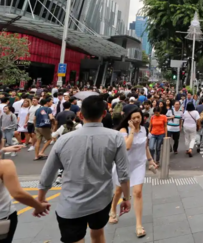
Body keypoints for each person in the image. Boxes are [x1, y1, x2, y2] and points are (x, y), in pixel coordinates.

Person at [38, 95, 131, 243]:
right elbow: (123, 173)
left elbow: (47, 175)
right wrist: (126, 198)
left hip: (71, 204)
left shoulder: (63, 140)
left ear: (80, 115)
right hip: (101, 201)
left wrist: (41, 199)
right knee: (98, 233)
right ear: (104, 114)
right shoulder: (116, 137)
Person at [108, 108, 156, 237]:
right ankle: (112, 210)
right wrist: (133, 132)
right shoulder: (123, 131)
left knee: (138, 192)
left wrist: (150, 160)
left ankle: (139, 225)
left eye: (138, 117)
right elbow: (127, 146)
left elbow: (144, 147)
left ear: (142, 118)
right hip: (124, 165)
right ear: (129, 118)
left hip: (139, 165)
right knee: (118, 191)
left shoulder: (144, 129)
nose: (136, 120)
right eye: (133, 117)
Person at [0, 153, 51, 241]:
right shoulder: (4, 165)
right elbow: (17, 194)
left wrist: (5, 149)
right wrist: (38, 206)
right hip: (3, 216)